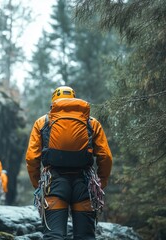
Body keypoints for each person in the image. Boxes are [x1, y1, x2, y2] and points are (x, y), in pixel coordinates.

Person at [25, 86, 112, 240]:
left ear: (53, 103)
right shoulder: (92, 123)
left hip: (53, 183)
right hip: (85, 184)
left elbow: (32, 158)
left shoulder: (42, 122)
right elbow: (105, 157)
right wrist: (101, 182)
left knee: (54, 235)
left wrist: (37, 184)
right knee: (85, 236)